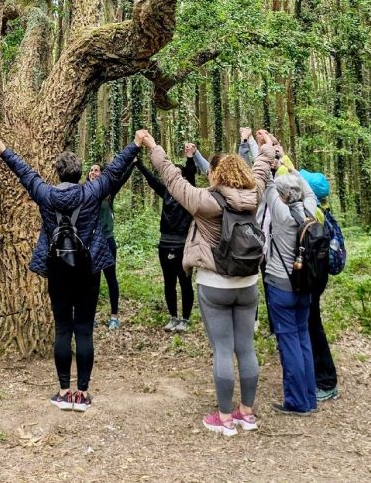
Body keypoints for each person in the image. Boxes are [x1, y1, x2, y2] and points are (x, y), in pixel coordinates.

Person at [0, 132, 141, 412]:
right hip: (88, 268)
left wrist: (2, 148)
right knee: (83, 330)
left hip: (57, 270)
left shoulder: (45, 193)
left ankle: (63, 391)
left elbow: (24, 172)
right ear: (80, 172)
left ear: (57, 173)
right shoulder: (92, 191)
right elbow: (117, 166)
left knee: (62, 330)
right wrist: (136, 143)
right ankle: (82, 394)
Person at [136, 129, 272, 435]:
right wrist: (264, 147)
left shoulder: (204, 201)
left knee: (223, 349)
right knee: (246, 348)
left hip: (215, 284)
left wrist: (154, 146)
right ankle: (247, 414)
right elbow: (262, 169)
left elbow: (171, 178)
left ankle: (224, 419)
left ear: (215, 175)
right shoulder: (255, 195)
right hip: (248, 282)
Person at [261, 148, 319, 415]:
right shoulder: (310, 209)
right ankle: (309, 396)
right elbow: (307, 191)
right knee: (303, 337)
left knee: (289, 343)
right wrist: (286, 162)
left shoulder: (281, 215)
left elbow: (268, 184)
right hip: (305, 284)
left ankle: (296, 402)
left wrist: (266, 158)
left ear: (284, 196)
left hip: (280, 284)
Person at [135, 144, 199, 331]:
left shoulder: (188, 194)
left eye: (178, 175)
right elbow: (152, 179)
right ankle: (173, 317)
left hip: (182, 244)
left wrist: (189, 157)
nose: (173, 178)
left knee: (185, 282)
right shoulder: (166, 191)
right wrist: (138, 163)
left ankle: (185, 319)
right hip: (165, 243)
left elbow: (192, 176)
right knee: (169, 282)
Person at [298, 169, 339, 401]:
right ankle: (318, 376)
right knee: (311, 326)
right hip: (316, 280)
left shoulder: (312, 218)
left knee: (314, 328)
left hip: (312, 281)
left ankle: (327, 381)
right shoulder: (320, 213)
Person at [87, 157, 135, 329]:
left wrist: (132, 163)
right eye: (91, 170)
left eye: (96, 170)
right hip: (90, 243)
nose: (93, 172)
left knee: (110, 278)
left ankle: (114, 316)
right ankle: (90, 317)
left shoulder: (108, 193)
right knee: (93, 280)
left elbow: (122, 179)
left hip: (107, 241)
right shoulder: (84, 192)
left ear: (102, 174)